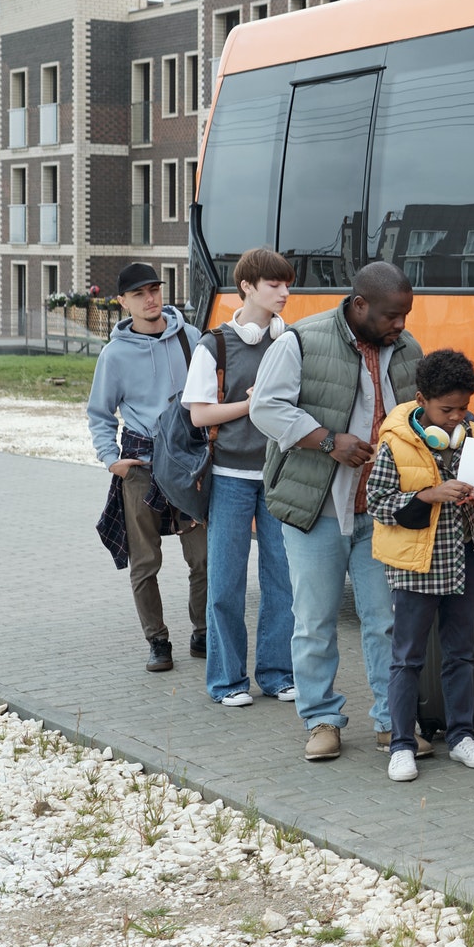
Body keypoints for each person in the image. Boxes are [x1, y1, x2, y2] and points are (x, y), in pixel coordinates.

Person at [249, 261, 422, 765]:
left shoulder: (408, 350)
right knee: (315, 622)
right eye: (393, 315)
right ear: (360, 305)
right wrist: (328, 442)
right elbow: (266, 408)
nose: (401, 325)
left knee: (385, 621)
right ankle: (321, 720)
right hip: (316, 509)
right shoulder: (299, 341)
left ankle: (395, 725)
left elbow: (420, 414)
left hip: (381, 512)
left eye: (406, 315)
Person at [367, 348, 474, 783]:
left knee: (460, 653)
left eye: (463, 408)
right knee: (406, 658)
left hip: (465, 555)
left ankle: (461, 736)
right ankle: (402, 744)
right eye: (447, 409)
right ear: (421, 399)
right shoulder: (394, 441)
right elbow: (378, 503)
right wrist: (427, 495)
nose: (455, 418)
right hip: (415, 564)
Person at [182, 248, 298, 709]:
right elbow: (199, 415)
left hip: (277, 474)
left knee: (283, 582)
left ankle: (276, 674)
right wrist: (254, 404)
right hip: (229, 476)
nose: (285, 293)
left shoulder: (290, 341)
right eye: (274, 285)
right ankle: (227, 681)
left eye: (287, 284)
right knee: (226, 583)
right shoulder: (216, 344)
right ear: (247, 287)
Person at [89, 262, 210, 673]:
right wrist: (111, 461)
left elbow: (207, 398)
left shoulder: (190, 338)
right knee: (145, 561)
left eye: (155, 289)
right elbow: (100, 414)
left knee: (204, 557)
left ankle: (203, 632)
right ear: (123, 301)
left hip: (188, 460)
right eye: (140, 293)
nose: (151, 298)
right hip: (139, 464)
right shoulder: (114, 354)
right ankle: (157, 641)